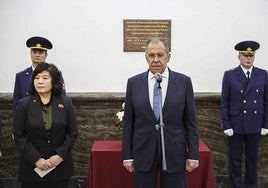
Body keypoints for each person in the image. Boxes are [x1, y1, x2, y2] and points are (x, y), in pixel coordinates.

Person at [122, 37, 199, 188]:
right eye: (151, 55)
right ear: (146, 57)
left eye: (160, 55)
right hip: (143, 151)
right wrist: (127, 155)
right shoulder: (134, 83)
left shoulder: (184, 82)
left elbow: (191, 122)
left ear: (168, 56)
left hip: (174, 151)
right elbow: (128, 123)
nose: (156, 60)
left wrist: (193, 155)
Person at [13, 62, 77, 188]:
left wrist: (59, 156)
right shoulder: (24, 104)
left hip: (59, 168)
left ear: (54, 81)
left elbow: (72, 132)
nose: (40, 81)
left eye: (45, 78)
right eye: (36, 78)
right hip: (32, 169)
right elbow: (19, 135)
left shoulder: (65, 102)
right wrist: (36, 159)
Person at [221, 40, 268, 188]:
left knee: (252, 160)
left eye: (251, 56)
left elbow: (266, 101)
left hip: (255, 123)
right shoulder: (229, 75)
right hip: (236, 124)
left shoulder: (263, 74)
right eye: (245, 55)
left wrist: (265, 124)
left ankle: (251, 186)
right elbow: (225, 102)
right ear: (239, 56)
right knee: (235, 160)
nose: (248, 58)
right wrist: (226, 124)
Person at [13, 36, 66, 114]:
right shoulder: (21, 76)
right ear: (30, 54)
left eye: (40, 52)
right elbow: (16, 102)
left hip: (50, 116)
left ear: (46, 55)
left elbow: (62, 97)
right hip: (27, 118)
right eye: (34, 52)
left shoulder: (55, 74)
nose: (37, 55)